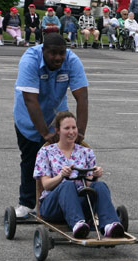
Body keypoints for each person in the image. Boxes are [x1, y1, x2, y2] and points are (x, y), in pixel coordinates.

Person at [12, 32, 89, 218]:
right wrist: (45, 134)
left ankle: (60, 202)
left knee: (62, 158)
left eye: (61, 53)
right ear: (43, 50)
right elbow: (30, 100)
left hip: (56, 114)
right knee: (31, 159)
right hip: (28, 117)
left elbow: (82, 98)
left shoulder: (72, 61)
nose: (58, 58)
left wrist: (80, 133)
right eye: (53, 53)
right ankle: (27, 203)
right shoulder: (30, 60)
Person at [33, 111, 124, 239]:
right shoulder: (46, 152)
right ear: (57, 130)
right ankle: (77, 224)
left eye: (74, 127)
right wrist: (61, 176)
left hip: (81, 205)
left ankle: (110, 225)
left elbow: (89, 185)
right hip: (53, 207)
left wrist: (95, 174)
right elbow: (46, 185)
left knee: (100, 185)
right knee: (67, 185)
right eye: (67, 128)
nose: (71, 132)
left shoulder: (86, 152)